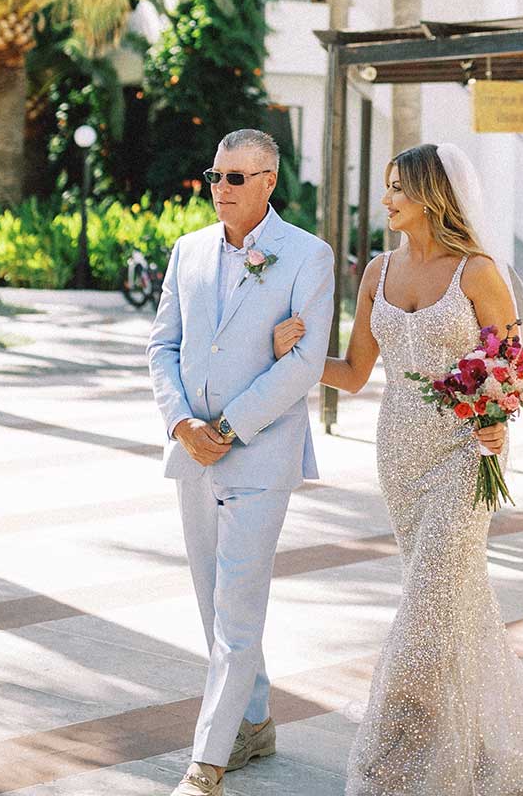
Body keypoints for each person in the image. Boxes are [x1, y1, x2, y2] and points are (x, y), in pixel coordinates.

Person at [272, 143, 523, 795]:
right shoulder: (375, 272)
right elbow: (352, 375)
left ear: (432, 194)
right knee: (454, 604)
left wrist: (497, 416)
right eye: (387, 186)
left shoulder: (478, 271)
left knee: (426, 603)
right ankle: (481, 738)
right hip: (399, 453)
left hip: (468, 453)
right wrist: (297, 354)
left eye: (399, 187)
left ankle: (387, 758)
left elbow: (516, 366)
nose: (387, 199)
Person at [146, 129, 335, 796]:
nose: (219, 189)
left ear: (268, 182)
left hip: (259, 455)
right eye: (215, 176)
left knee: (238, 610)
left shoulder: (308, 256)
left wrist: (226, 427)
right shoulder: (188, 250)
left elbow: (306, 365)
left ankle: (208, 761)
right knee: (210, 603)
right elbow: (162, 344)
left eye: (234, 178)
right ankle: (253, 722)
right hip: (192, 453)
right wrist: (182, 423)